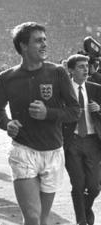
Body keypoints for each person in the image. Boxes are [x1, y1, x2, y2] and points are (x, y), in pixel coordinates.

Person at [0, 22, 80, 225]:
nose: (44, 44)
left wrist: (48, 113)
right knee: (32, 217)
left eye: (45, 40)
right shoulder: (7, 77)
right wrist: (7, 123)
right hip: (24, 151)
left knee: (42, 218)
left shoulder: (58, 72)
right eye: (38, 41)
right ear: (23, 45)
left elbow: (74, 111)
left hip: (53, 152)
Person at [62, 54, 101, 225]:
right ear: (70, 70)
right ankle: (82, 221)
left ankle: (85, 211)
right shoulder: (63, 90)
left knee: (94, 187)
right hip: (72, 141)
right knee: (78, 184)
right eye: (81, 66)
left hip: (93, 141)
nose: (86, 69)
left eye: (87, 66)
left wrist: (100, 109)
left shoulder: (96, 88)